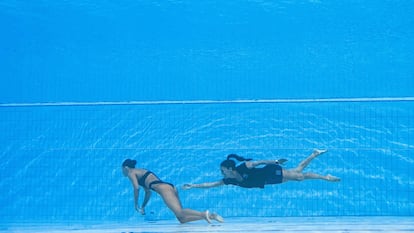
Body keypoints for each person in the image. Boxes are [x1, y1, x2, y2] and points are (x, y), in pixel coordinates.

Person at [122, 159, 224, 224]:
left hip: (164, 189)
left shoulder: (131, 172)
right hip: (169, 187)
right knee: (181, 219)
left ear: (126, 168)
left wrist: (136, 205)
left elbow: (136, 188)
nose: (122, 172)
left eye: (122, 169)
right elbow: (148, 192)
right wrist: (143, 206)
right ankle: (211, 216)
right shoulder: (141, 171)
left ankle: (203, 213)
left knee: (179, 212)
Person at [183, 149, 340, 190]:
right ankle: (314, 154)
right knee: (298, 172)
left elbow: (259, 162)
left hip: (270, 172)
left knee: (299, 176)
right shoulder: (230, 180)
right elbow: (212, 184)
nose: (222, 173)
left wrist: (276, 161)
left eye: (223, 170)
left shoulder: (243, 166)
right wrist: (193, 186)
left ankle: (325, 177)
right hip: (267, 180)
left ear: (230, 168)